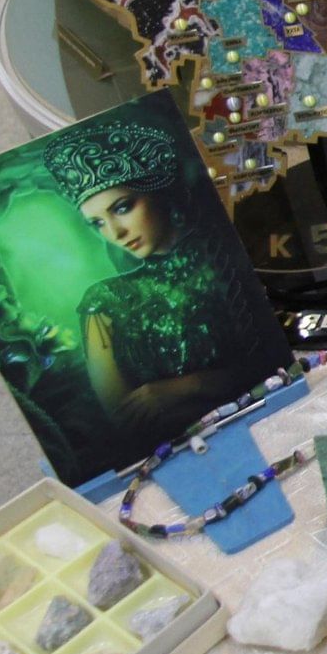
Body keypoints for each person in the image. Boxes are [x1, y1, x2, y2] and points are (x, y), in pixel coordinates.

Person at [43, 118, 281, 438]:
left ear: (159, 193)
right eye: (97, 223)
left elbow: (276, 359)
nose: (115, 233)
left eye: (122, 208)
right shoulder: (105, 301)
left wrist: (186, 386)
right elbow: (129, 421)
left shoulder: (227, 254)